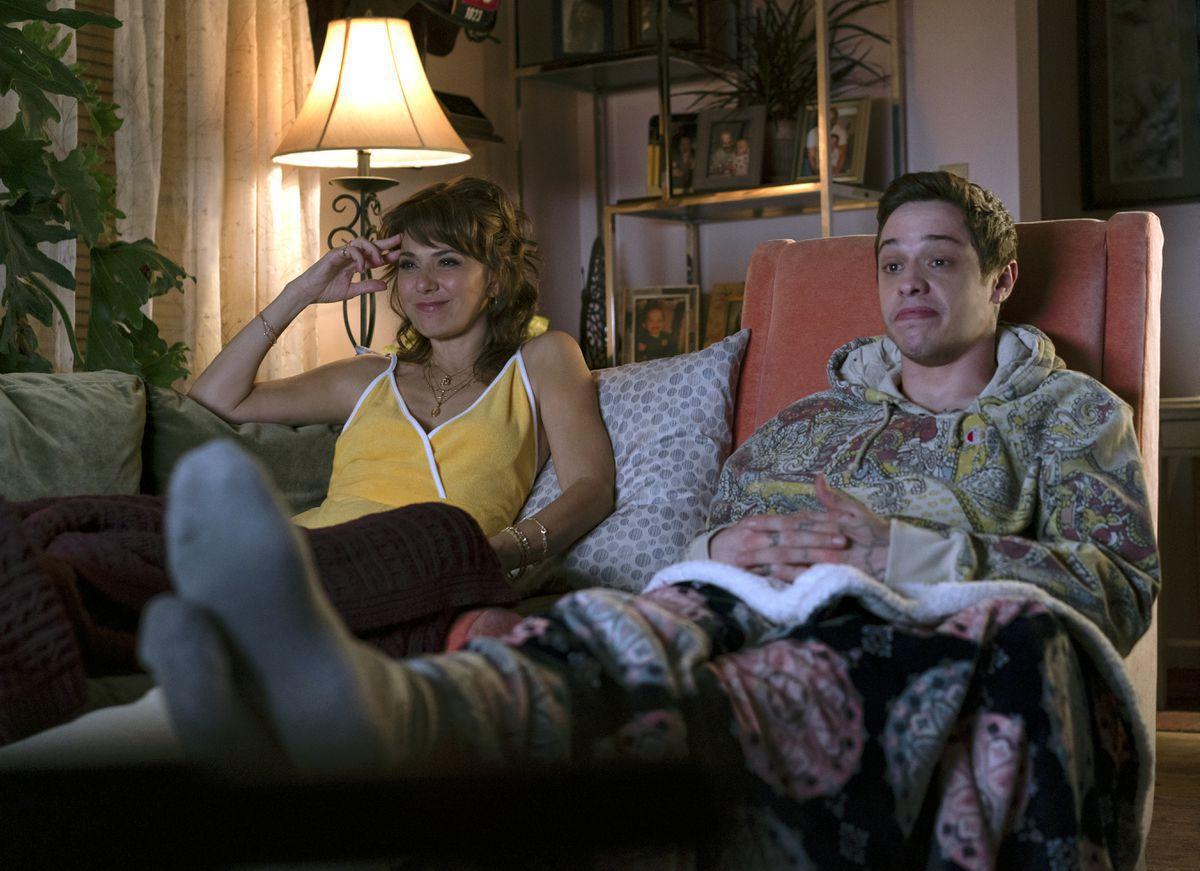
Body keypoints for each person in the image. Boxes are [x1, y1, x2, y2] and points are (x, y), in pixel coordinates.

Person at [3, 173, 1157, 869]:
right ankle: (365, 706)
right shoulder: (813, 418)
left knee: (753, 687)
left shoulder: (1069, 417)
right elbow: (708, 534)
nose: (909, 283)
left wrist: (896, 546)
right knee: (602, 645)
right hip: (721, 596)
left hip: (896, 608)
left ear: (999, 280)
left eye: (939, 261)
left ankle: (341, 693)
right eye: (892, 261)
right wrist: (720, 550)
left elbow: (1117, 580)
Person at [0, 176, 615, 745]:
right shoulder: (370, 377)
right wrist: (302, 293)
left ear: (498, 278)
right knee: (87, 537)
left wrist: (502, 550)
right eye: (408, 264)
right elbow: (217, 400)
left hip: (432, 560)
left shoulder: (543, 359)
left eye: (448, 261)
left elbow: (591, 486)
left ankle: (243, 633)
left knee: (440, 530)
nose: (423, 284)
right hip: (309, 552)